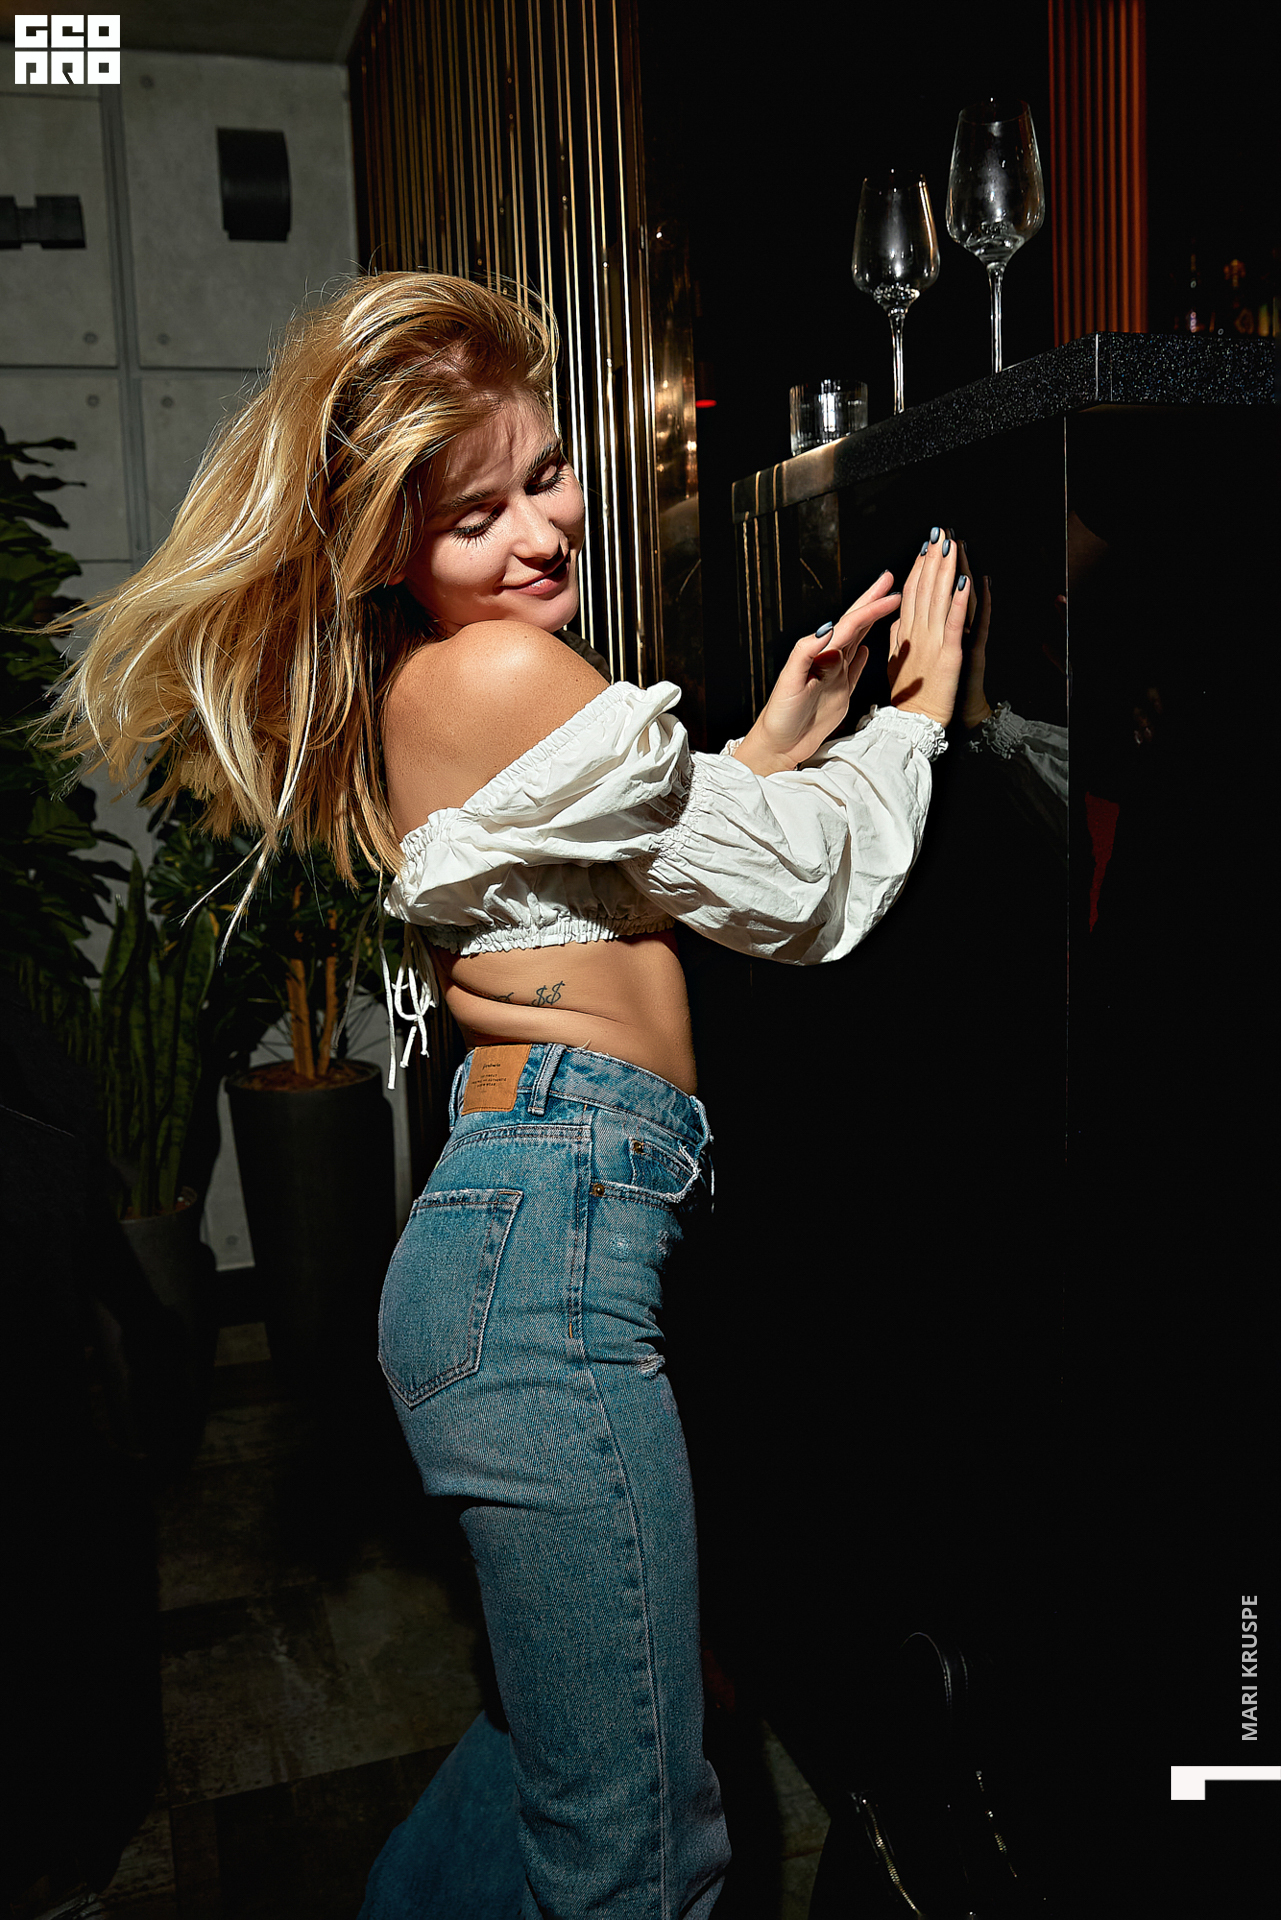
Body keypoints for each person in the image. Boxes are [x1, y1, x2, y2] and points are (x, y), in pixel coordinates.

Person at [44, 272, 967, 1918]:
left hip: (533, 1234)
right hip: (544, 1253)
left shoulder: (454, 681)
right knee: (639, 1847)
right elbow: (798, 890)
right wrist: (913, 726)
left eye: (545, 475)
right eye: (475, 516)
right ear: (389, 542)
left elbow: (633, 876)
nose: (539, 532)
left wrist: (770, 737)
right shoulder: (493, 673)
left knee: (566, 1749)